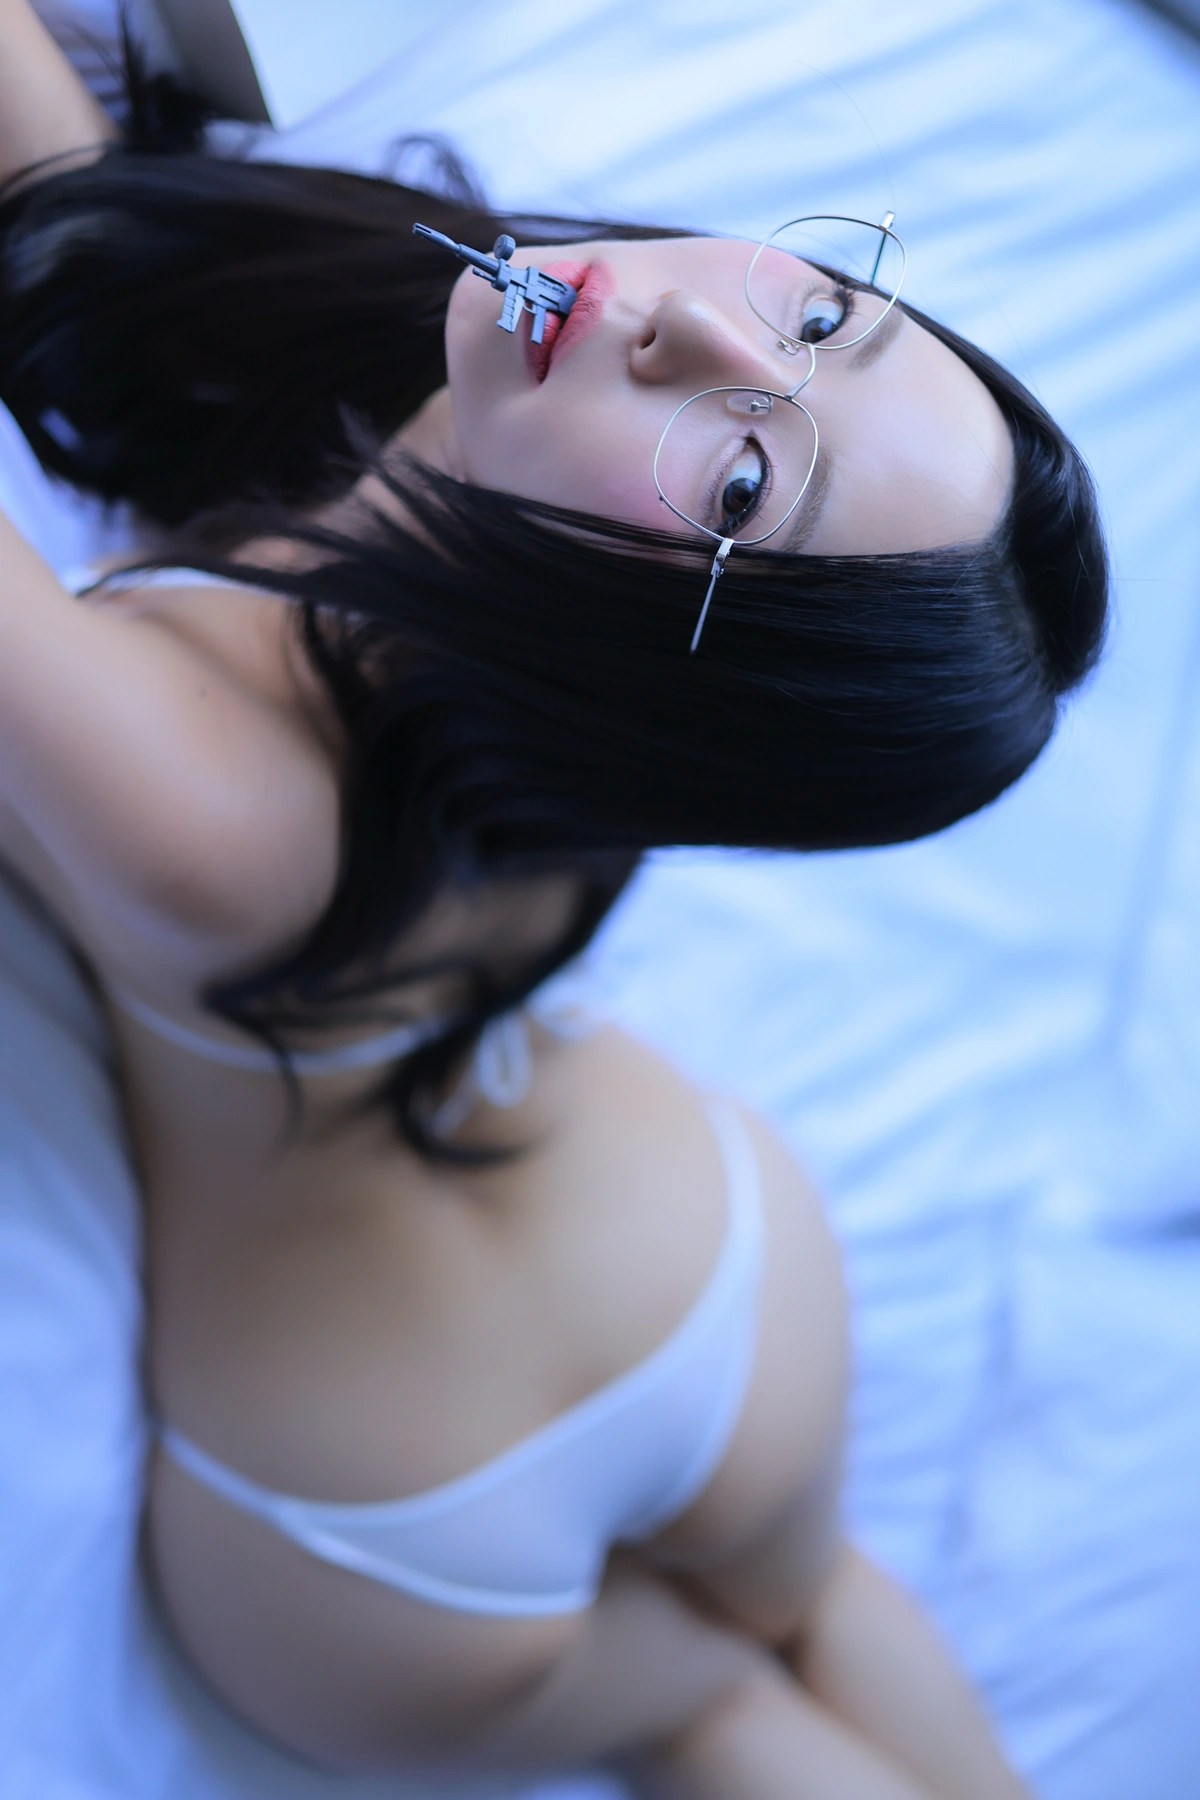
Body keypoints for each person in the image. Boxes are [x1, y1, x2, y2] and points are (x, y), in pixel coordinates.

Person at [0, 3, 1108, 1794]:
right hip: (710, 1265)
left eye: (742, 483)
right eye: (829, 316)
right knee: (808, 1603)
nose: (700, 326)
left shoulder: (223, 825)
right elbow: (58, 194)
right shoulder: (477, 454)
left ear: (664, 685)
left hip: (417, 1501)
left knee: (712, 1704)